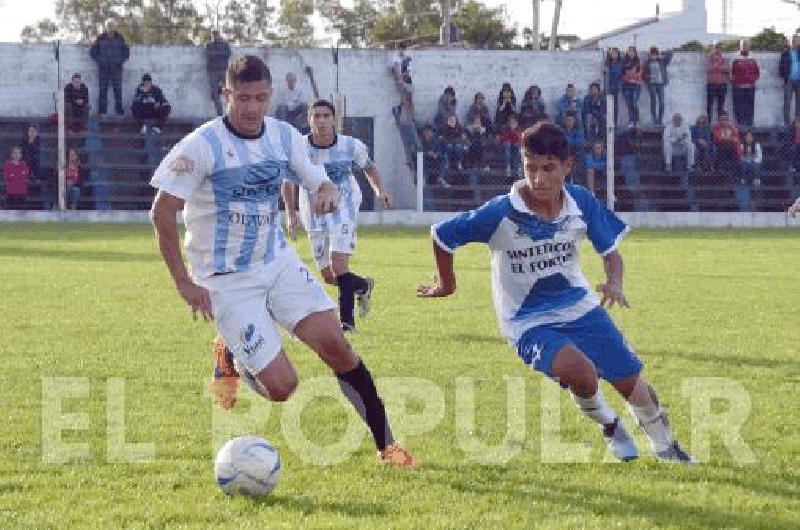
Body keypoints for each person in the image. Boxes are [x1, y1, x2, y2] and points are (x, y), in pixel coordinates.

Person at [149, 55, 418, 469]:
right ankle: (231, 354)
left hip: (276, 262)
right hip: (226, 279)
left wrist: (326, 192)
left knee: (338, 347)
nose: (252, 108)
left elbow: (318, 179)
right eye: (243, 98)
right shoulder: (201, 146)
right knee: (282, 387)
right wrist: (185, 284)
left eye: (260, 98)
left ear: (270, 95)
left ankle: (388, 446)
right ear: (226, 95)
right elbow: (162, 212)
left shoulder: (283, 137)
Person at [417, 122, 693, 464]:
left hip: (581, 308)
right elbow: (442, 234)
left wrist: (615, 282)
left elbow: (611, 254)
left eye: (548, 168)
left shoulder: (580, 202)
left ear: (566, 166)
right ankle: (609, 423)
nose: (538, 179)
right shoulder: (501, 212)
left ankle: (668, 449)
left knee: (632, 384)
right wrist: (448, 284)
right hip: (527, 320)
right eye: (530, 168)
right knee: (581, 372)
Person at [282, 99, 393, 332]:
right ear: (310, 120)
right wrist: (291, 214)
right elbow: (288, 183)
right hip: (313, 211)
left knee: (338, 261)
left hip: (345, 205)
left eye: (326, 116)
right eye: (317, 116)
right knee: (329, 276)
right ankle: (362, 286)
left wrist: (380, 190)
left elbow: (369, 167)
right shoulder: (299, 148)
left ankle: (347, 324)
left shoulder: (351, 146)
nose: (321, 121)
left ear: (334, 120)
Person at [90, 18, 129, 116]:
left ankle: (119, 112)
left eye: (112, 25)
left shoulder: (120, 38)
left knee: (118, 90)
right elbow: (92, 52)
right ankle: (102, 112)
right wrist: (100, 61)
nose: (110, 27)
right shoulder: (100, 38)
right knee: (103, 90)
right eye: (108, 25)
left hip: (116, 70)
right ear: (106, 27)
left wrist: (119, 62)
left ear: (115, 26)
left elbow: (126, 52)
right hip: (103, 70)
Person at [731, 39, 760, 128]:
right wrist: (735, 82)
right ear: (740, 46)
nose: (745, 47)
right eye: (743, 45)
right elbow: (730, 72)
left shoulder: (753, 57)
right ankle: (739, 123)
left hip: (750, 86)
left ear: (749, 46)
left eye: (747, 45)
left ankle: (750, 123)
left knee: (750, 105)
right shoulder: (734, 57)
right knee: (738, 105)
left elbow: (757, 71)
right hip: (738, 86)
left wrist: (753, 80)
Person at [642, 46, 673, 126]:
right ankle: (654, 119)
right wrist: (649, 77)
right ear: (650, 55)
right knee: (653, 101)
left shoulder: (662, 61)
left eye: (655, 54)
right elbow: (643, 75)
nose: (653, 56)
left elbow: (670, 54)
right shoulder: (647, 63)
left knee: (661, 102)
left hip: (660, 84)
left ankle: (660, 119)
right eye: (652, 54)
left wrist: (662, 54)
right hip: (651, 84)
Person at [205, 29, 231, 117]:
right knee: (215, 94)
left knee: (228, 92)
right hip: (212, 71)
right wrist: (220, 54)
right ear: (212, 35)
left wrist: (216, 54)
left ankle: (230, 113)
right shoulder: (208, 45)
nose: (215, 36)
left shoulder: (225, 44)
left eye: (217, 34)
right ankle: (220, 115)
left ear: (219, 35)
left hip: (223, 71)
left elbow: (228, 54)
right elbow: (209, 55)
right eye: (214, 35)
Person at [736, 130, 763, 211]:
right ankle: (743, 179)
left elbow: (759, 156)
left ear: (753, 138)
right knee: (743, 164)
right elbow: (740, 156)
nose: (748, 138)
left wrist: (754, 160)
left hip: (754, 160)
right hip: (745, 160)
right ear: (745, 138)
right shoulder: (741, 145)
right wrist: (745, 159)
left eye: (750, 137)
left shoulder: (757, 145)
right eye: (747, 136)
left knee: (756, 165)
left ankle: (756, 179)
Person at [779, 35, 800, 127]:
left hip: (799, 80)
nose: (794, 42)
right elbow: (781, 67)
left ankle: (797, 123)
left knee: (799, 103)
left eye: (796, 41)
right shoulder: (785, 53)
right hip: (789, 80)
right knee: (787, 102)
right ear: (789, 42)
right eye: (793, 41)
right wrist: (783, 78)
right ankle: (787, 124)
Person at [706, 43, 730, 122]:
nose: (719, 49)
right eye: (717, 48)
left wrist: (717, 66)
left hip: (722, 83)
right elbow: (709, 68)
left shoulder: (724, 57)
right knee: (710, 104)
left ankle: (720, 122)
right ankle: (709, 122)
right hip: (712, 83)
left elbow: (727, 69)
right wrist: (721, 67)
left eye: (720, 48)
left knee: (721, 105)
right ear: (714, 48)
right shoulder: (710, 57)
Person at [621, 46, 642, 128]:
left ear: (635, 52)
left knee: (634, 103)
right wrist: (630, 72)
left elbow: (635, 72)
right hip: (626, 85)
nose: (631, 52)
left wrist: (630, 72)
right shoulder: (624, 61)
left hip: (635, 85)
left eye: (632, 51)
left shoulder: (637, 61)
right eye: (629, 51)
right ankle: (631, 121)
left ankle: (637, 121)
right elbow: (623, 72)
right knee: (629, 104)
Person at [498, 114, 522, 178]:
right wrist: (511, 132)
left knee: (518, 149)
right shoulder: (505, 129)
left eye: (514, 122)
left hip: (515, 147)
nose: (513, 124)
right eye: (511, 122)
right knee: (508, 144)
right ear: (509, 123)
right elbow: (504, 139)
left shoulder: (518, 129)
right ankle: (508, 167)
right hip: (507, 148)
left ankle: (518, 169)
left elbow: (520, 138)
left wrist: (514, 131)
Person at [606, 47, 623, 127]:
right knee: (607, 105)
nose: (614, 54)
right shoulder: (609, 62)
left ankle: (614, 123)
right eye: (612, 53)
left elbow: (617, 72)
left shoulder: (619, 62)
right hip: (608, 86)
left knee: (615, 106)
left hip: (615, 86)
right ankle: (609, 122)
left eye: (615, 53)